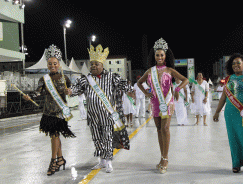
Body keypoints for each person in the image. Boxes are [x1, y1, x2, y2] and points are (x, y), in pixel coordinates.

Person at [68, 44, 130, 173]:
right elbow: (76, 89)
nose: (93, 66)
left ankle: (108, 162)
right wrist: (69, 91)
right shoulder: (85, 79)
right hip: (93, 116)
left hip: (107, 116)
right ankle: (101, 161)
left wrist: (132, 90)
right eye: (92, 64)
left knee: (107, 137)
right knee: (97, 138)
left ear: (102, 65)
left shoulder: (112, 77)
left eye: (96, 64)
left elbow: (124, 85)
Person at [137, 38, 189, 174]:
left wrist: (177, 89)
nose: (159, 57)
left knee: (165, 128)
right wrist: (145, 93)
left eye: (162, 55)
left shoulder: (170, 70)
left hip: (167, 102)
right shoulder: (150, 71)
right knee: (159, 130)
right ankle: (162, 157)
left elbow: (186, 79)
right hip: (154, 103)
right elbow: (139, 83)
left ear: (165, 56)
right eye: (157, 55)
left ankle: (165, 159)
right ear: (154, 56)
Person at [23, 45, 75, 176]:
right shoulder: (43, 79)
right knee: (55, 136)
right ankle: (61, 159)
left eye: (55, 63)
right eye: (50, 63)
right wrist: (30, 96)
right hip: (48, 112)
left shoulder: (65, 78)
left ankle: (53, 161)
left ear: (59, 64)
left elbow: (73, 90)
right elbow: (37, 92)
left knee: (54, 135)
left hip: (60, 111)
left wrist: (70, 91)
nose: (52, 66)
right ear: (47, 64)